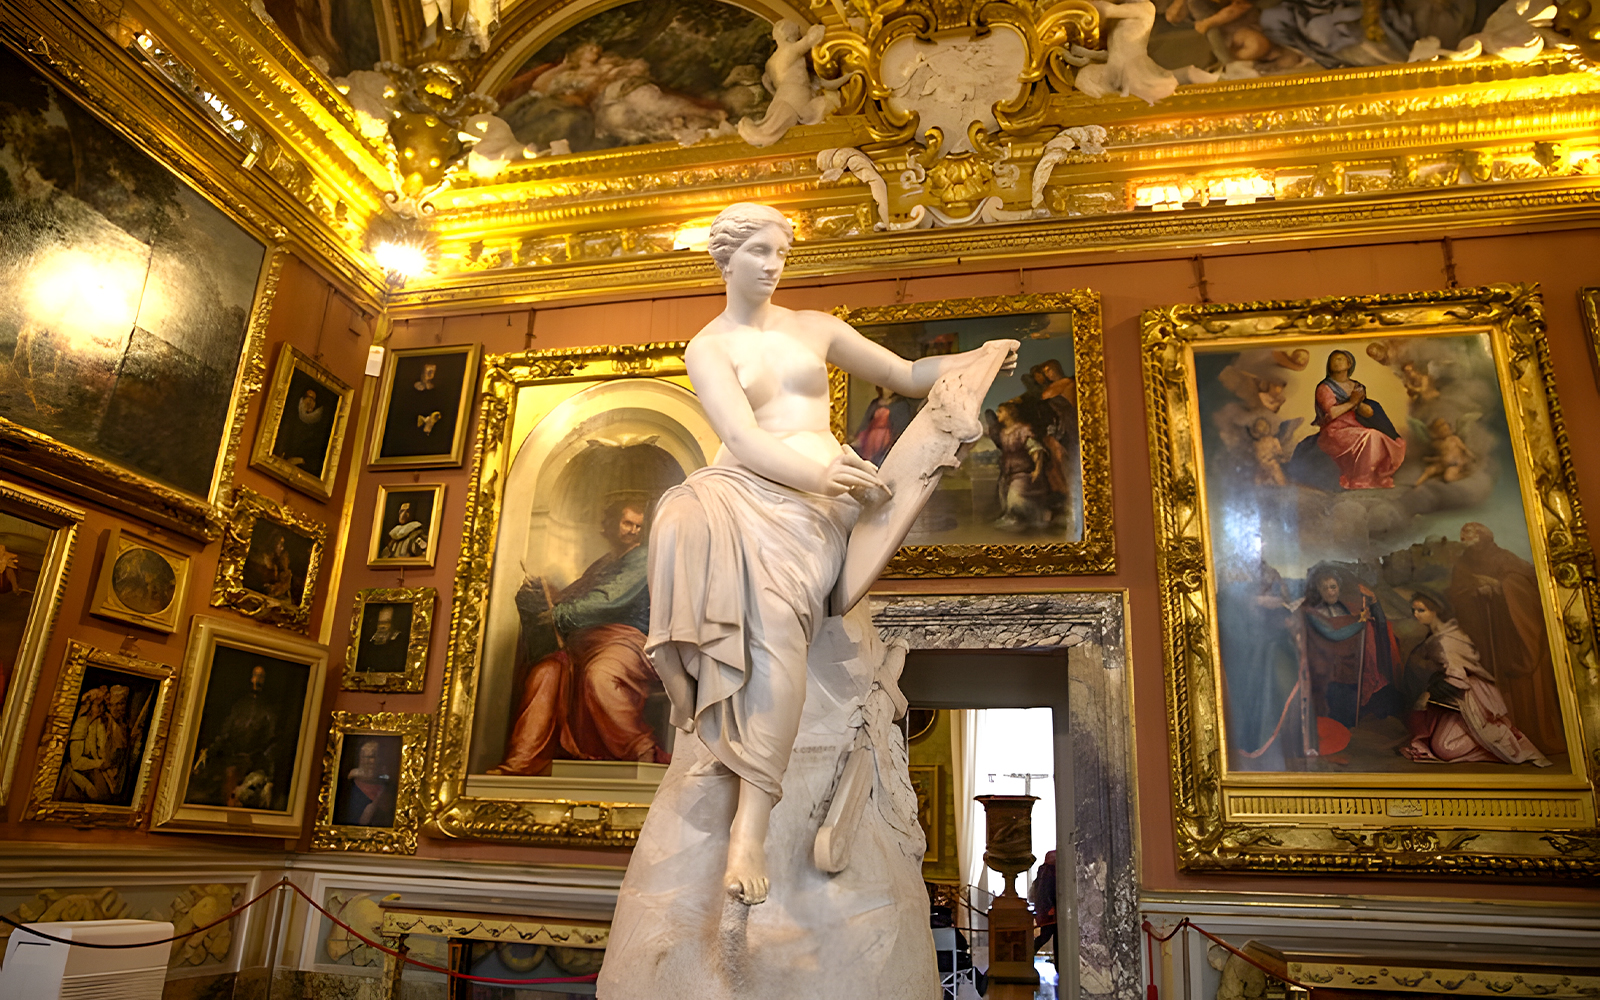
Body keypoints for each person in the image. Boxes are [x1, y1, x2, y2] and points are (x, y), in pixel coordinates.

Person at [643, 202, 1015, 906]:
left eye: (781, 249)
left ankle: (750, 826)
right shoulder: (709, 347)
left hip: (815, 507)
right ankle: (675, 670)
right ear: (725, 258)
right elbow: (742, 437)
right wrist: (814, 473)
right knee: (676, 518)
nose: (773, 262)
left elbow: (907, 373)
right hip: (747, 481)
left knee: (780, 630)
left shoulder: (814, 328)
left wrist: (976, 357)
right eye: (758, 250)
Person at [489, 498, 667, 775]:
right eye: (627, 523)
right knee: (545, 673)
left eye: (638, 526)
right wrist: (545, 591)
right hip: (581, 641)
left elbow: (610, 600)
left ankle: (641, 749)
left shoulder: (642, 557)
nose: (633, 530)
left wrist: (558, 613)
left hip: (625, 640)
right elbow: (576, 595)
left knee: (600, 675)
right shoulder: (604, 562)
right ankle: (522, 760)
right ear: (610, 525)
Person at [1447, 523, 1563, 754]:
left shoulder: (1504, 558)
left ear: (1483, 537)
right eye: (1462, 537)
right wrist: (1475, 593)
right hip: (1483, 636)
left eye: (1469, 536)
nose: (1464, 541)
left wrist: (1500, 589)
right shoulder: (1462, 565)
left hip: (1508, 635)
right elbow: (1456, 594)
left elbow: (1527, 584)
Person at [1399, 591, 1551, 766]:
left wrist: (1430, 694)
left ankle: (1495, 738)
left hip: (1469, 696)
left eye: (1421, 610)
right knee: (1442, 747)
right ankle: (1482, 740)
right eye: (1414, 610)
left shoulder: (1446, 640)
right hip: (1453, 702)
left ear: (1435, 611)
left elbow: (1457, 676)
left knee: (1445, 749)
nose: (1415, 615)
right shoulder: (1436, 637)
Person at [1298, 566, 1398, 749]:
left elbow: (1365, 622)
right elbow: (1334, 634)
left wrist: (1370, 607)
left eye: (1333, 587)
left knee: (1349, 715)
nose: (1330, 591)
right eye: (1325, 587)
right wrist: (1360, 624)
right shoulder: (1312, 612)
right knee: (1331, 715)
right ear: (1318, 590)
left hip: (1349, 670)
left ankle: (1348, 742)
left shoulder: (1343, 607)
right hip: (1327, 672)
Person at [1288, 349, 1406, 490]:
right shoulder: (1325, 388)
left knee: (1378, 436)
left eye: (1340, 359)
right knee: (1369, 436)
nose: (1336, 362)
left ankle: (1373, 477)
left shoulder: (1357, 387)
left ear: (1349, 364)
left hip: (1356, 426)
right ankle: (1359, 480)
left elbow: (1365, 411)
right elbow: (1331, 412)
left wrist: (1362, 405)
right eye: (1333, 360)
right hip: (1334, 431)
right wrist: (1351, 402)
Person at [189, 664, 281, 809]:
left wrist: (257, 761)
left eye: (261, 677)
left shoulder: (268, 710)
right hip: (231, 759)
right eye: (255, 676)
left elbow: (272, 741)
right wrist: (209, 753)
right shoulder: (239, 705)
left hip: (254, 763)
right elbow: (225, 733)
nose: (257, 681)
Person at [337, 739, 396, 826]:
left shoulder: (390, 789)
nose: (371, 762)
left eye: (375, 757)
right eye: (367, 757)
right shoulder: (347, 789)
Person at [851, 385, 913, 466]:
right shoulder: (874, 404)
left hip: (887, 442)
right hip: (870, 442)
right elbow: (865, 425)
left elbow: (901, 429)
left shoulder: (900, 405)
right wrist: (858, 440)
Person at [1031, 850, 1058, 961]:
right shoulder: (1048, 871)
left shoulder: (1043, 870)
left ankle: (1058, 960)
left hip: (1047, 910)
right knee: (1045, 936)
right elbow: (1044, 890)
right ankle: (1027, 955)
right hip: (1049, 911)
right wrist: (1049, 906)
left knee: (1052, 935)